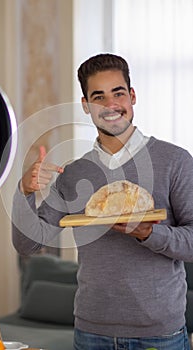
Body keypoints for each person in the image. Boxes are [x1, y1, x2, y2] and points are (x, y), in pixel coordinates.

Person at [12, 53, 193, 350]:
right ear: (86, 105)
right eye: (98, 97)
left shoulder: (175, 160)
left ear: (132, 96)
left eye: (118, 93)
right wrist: (25, 192)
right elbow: (28, 245)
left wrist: (149, 232)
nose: (110, 105)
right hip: (90, 333)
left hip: (160, 335)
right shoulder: (74, 173)